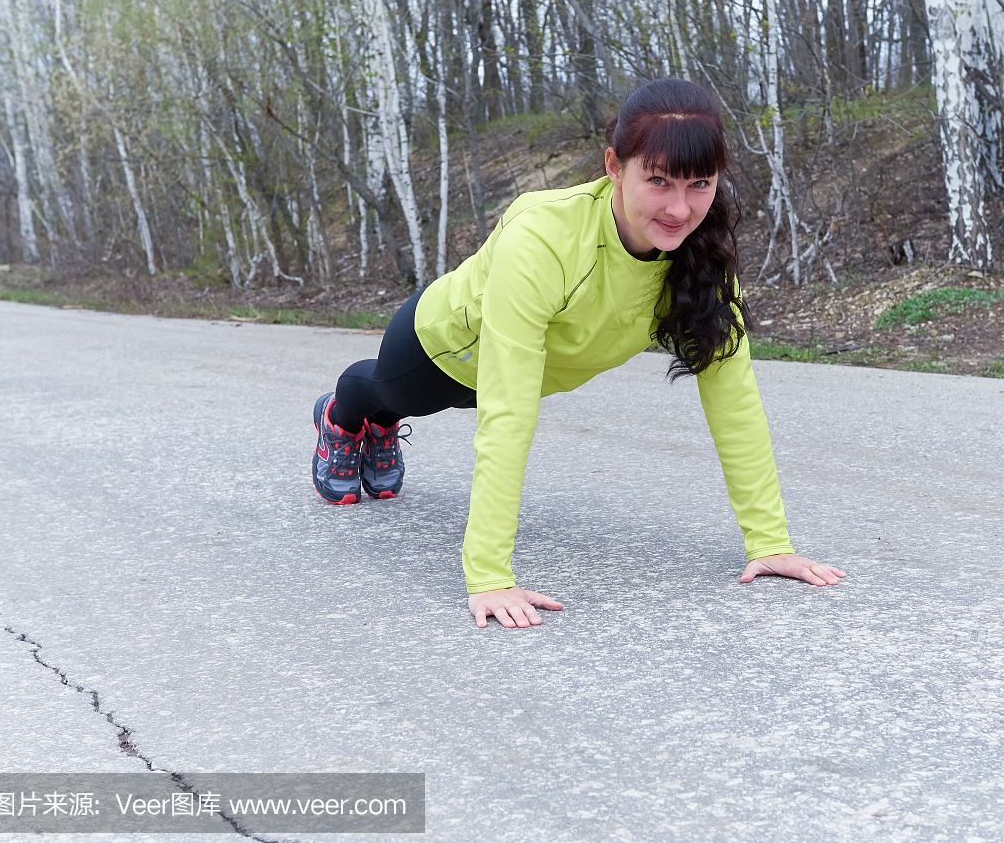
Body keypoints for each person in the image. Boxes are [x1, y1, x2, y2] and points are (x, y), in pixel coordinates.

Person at [311, 78, 845, 629]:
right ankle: (342, 419)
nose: (680, 208)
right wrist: (489, 575)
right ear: (614, 166)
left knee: (406, 404)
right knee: (385, 393)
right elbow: (509, 414)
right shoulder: (543, 237)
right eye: (657, 180)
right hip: (444, 348)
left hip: (531, 370)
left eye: (699, 184)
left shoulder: (701, 260)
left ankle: (375, 427)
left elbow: (735, 403)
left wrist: (769, 541)